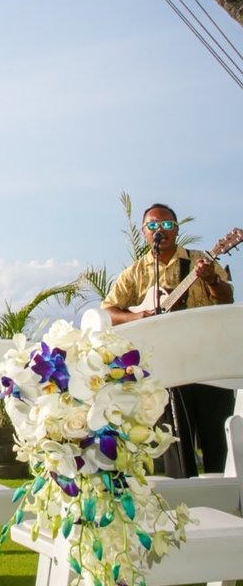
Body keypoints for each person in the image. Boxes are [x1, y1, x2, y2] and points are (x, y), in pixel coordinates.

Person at [103, 201, 235, 473]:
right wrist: (139, 317)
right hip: (165, 367)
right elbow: (109, 312)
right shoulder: (136, 272)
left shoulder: (201, 260)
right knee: (174, 440)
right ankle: (185, 503)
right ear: (144, 232)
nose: (159, 230)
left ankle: (224, 499)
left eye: (165, 225)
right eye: (152, 226)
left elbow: (227, 299)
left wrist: (210, 280)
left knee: (216, 437)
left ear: (176, 230)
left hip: (207, 362)